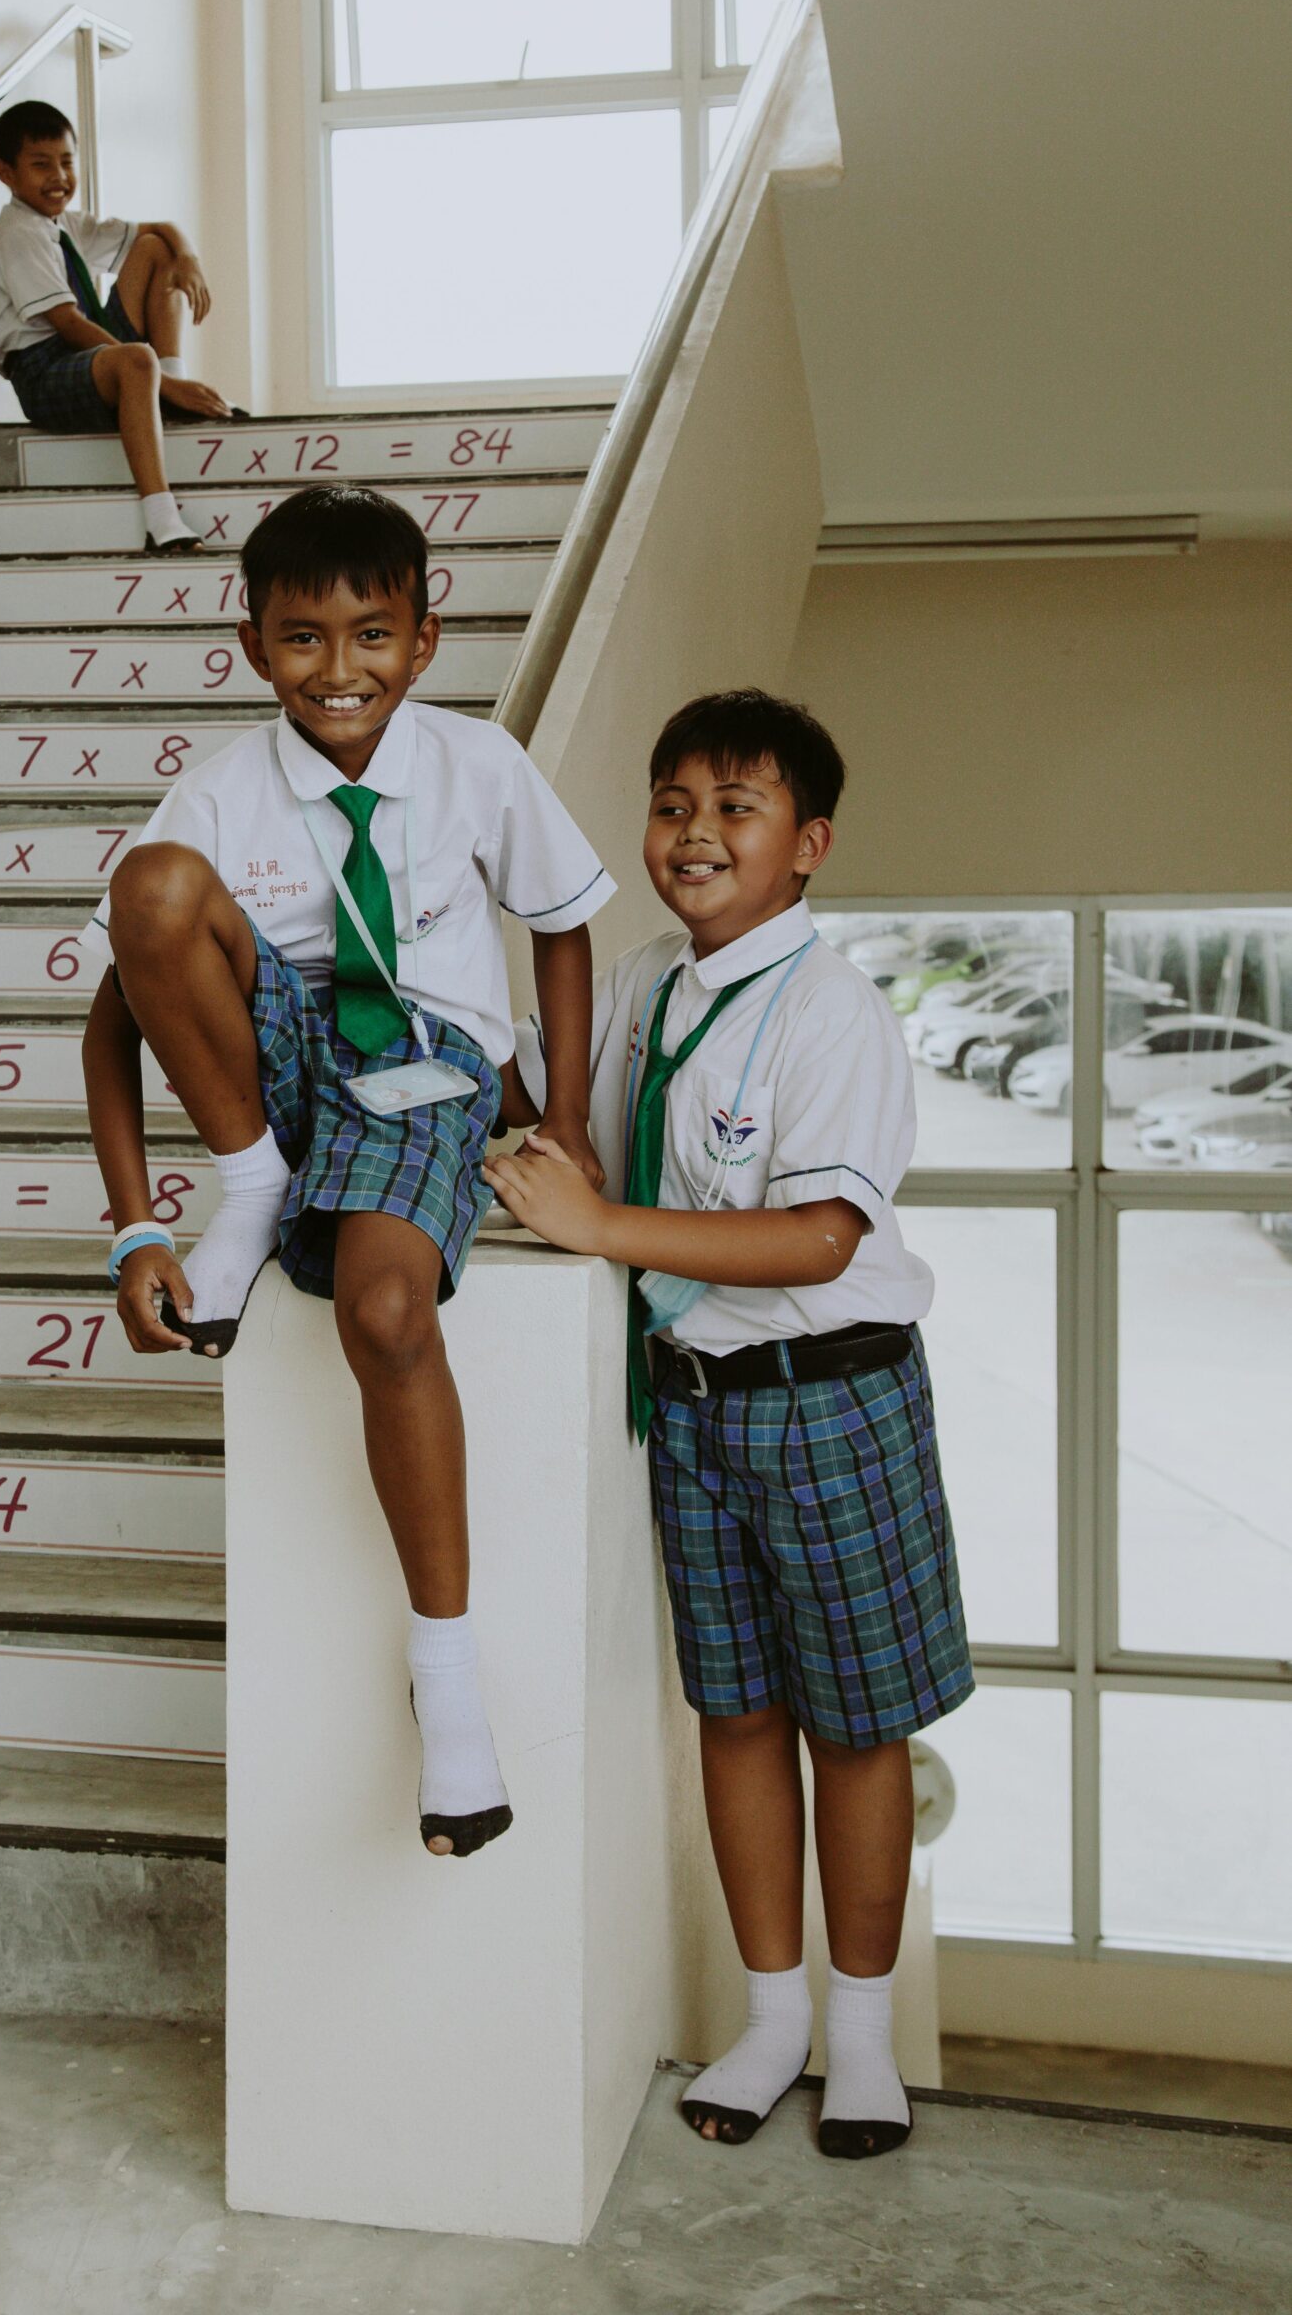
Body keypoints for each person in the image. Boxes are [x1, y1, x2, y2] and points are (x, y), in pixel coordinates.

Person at [79, 484, 615, 1857]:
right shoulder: (218, 784)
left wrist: (561, 1112)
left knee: (384, 1313)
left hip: (424, 1067)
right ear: (254, 647)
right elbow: (117, 1005)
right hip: (279, 1047)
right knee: (153, 889)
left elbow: (557, 926)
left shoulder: (476, 765)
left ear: (423, 640)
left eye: (370, 633)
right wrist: (136, 1226)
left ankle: (449, 1685)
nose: (338, 668)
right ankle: (251, 1183)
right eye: (301, 638)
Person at [484, 688, 973, 2158]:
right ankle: (768, 2023)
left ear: (806, 843)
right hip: (689, 1416)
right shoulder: (641, 980)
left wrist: (599, 1225)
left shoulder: (831, 1010)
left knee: (855, 1728)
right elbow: (552, 1095)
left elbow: (820, 1238)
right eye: (672, 806)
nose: (694, 834)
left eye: (735, 809)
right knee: (737, 1714)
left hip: (829, 1401)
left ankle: (864, 2040)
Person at [0, 98, 243, 556]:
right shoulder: (17, 236)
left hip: (84, 355)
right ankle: (162, 520)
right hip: (43, 372)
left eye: (65, 162)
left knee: (156, 249)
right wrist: (161, 384)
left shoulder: (65, 224)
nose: (58, 177)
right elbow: (67, 324)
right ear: (7, 173)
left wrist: (187, 257)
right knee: (137, 359)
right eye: (41, 165)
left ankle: (168, 380)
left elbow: (160, 229)